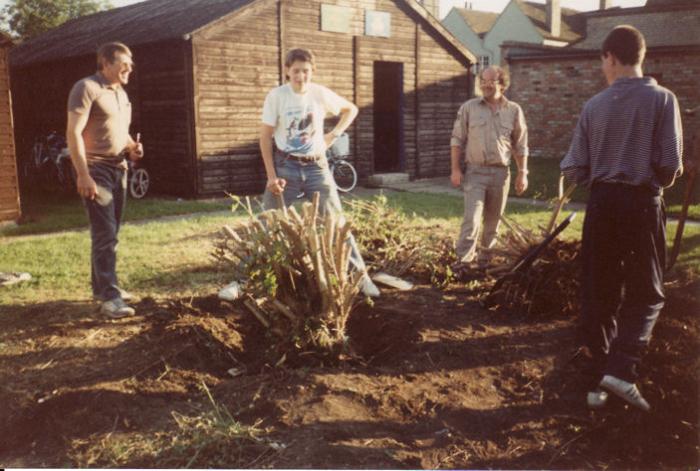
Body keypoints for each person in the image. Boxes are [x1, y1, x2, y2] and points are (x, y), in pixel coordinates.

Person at [561, 25, 683, 411]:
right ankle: (622, 371)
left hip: (601, 205)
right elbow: (669, 165)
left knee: (600, 294)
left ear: (610, 57)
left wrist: (604, 169)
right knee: (647, 294)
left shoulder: (593, 106)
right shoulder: (663, 100)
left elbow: (574, 168)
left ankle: (599, 382)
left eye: (602, 61)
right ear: (641, 56)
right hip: (641, 204)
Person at [259, 47, 379, 297]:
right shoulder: (277, 96)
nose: (301, 76)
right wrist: (271, 176)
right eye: (296, 71)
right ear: (286, 71)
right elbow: (265, 138)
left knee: (336, 221)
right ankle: (243, 279)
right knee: (267, 221)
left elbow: (351, 110)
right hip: (286, 167)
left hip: (317, 167)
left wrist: (332, 135)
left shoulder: (320, 94)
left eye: (305, 71)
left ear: (312, 71)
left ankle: (361, 277)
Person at [66, 42, 144, 318]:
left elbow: (121, 132)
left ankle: (103, 289)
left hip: (118, 169)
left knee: (110, 233)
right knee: (105, 233)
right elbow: (73, 133)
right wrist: (83, 174)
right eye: (125, 63)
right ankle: (110, 298)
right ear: (106, 63)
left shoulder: (121, 94)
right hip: (95, 169)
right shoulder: (86, 88)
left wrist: (131, 148)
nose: (129, 68)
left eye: (131, 64)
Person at [450, 65, 529, 267]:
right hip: (475, 172)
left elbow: (520, 145)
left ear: (502, 84)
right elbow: (457, 140)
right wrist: (456, 169)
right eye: (482, 80)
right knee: (472, 220)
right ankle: (463, 264)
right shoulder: (469, 108)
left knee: (493, 223)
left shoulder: (513, 110)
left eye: (490, 81)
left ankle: (485, 263)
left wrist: (522, 173)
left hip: (501, 174)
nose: (485, 84)